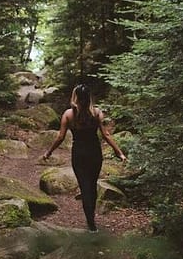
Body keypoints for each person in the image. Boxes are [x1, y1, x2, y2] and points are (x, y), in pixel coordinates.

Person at [42, 84, 127, 231]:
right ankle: (91, 218)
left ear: (75, 97)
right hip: (94, 152)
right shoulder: (97, 113)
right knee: (92, 186)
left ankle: (90, 221)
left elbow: (60, 137)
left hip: (79, 153)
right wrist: (119, 152)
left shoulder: (68, 115)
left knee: (84, 186)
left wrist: (49, 152)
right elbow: (106, 135)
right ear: (89, 97)